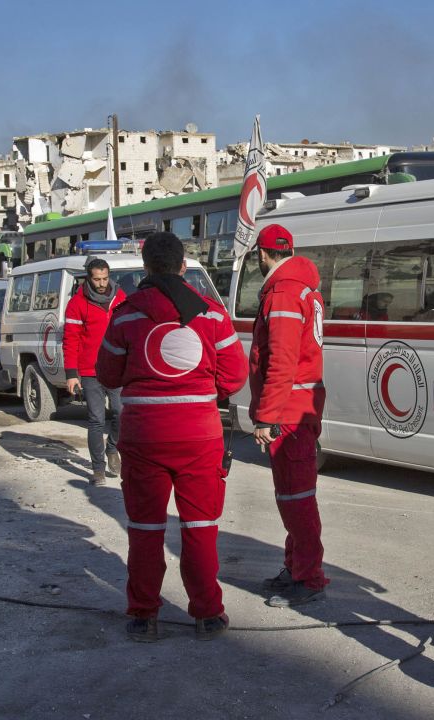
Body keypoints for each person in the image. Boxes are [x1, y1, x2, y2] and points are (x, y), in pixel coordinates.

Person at [96, 232, 247, 642]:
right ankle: (208, 615)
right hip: (199, 435)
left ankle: (144, 616)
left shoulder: (125, 314)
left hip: (143, 436)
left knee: (145, 530)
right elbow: (234, 376)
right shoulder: (212, 314)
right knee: (200, 527)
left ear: (145, 267)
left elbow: (107, 374)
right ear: (183, 266)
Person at [248, 223, 330, 608]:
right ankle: (296, 566)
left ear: (262, 255)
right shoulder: (303, 286)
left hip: (289, 411)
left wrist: (266, 415)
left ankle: (308, 577)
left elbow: (280, 360)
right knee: (292, 496)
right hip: (298, 406)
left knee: (296, 498)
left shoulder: (282, 292)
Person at [64, 257, 127, 485]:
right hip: (90, 371)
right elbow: (70, 340)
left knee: (122, 413)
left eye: (105, 278)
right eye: (97, 279)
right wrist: (71, 374)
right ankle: (98, 470)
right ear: (89, 279)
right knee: (96, 420)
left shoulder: (121, 299)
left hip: (117, 368)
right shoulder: (77, 303)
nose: (101, 283)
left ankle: (112, 448)